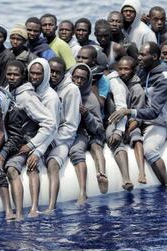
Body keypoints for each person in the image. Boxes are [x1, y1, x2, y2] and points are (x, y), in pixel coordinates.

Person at [0, 60, 55, 219]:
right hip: (12, 141)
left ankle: (20, 213)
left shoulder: (27, 97)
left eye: (16, 75)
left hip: (26, 143)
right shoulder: (7, 92)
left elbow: (50, 122)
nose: (12, 77)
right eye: (9, 74)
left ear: (22, 77)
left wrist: (32, 145)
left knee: (13, 169)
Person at [109, 42, 167, 186]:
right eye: (139, 54)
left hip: (160, 122)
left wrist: (127, 111)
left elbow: (154, 112)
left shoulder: (163, 78)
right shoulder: (144, 69)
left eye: (143, 55)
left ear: (154, 57)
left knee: (150, 150)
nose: (139, 58)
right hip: (143, 119)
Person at [45, 57, 81, 212]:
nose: (53, 75)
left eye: (57, 72)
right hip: (44, 137)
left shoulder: (72, 90)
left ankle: (51, 206)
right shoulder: (43, 85)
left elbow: (71, 125)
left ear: (63, 74)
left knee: (53, 164)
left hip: (62, 139)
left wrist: (51, 143)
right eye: (51, 71)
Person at [69, 64, 108, 203]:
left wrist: (87, 115)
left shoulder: (91, 99)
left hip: (88, 132)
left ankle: (84, 190)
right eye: (75, 77)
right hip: (70, 131)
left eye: (82, 79)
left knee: (79, 150)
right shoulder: (65, 92)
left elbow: (98, 128)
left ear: (88, 81)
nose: (78, 81)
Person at [26, 58, 60, 216]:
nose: (34, 76)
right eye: (31, 73)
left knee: (33, 165)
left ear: (45, 74)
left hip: (49, 140)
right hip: (33, 138)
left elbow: (52, 129)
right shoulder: (29, 92)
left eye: (38, 74)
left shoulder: (51, 97)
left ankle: (35, 207)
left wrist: (38, 151)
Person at [116, 56, 146, 184]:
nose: (122, 72)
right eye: (120, 69)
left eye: (126, 69)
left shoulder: (137, 89)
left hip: (132, 123)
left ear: (133, 70)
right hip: (118, 121)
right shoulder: (116, 82)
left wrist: (127, 130)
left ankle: (141, 171)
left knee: (136, 136)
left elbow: (139, 115)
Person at [105, 68, 133, 191]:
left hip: (112, 120)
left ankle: (126, 178)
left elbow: (121, 109)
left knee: (114, 139)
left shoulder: (114, 83)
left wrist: (118, 131)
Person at [76, 46, 110, 110]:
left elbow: (100, 105)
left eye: (84, 58)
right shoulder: (72, 74)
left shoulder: (103, 79)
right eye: (78, 57)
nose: (80, 60)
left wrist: (93, 82)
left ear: (93, 61)